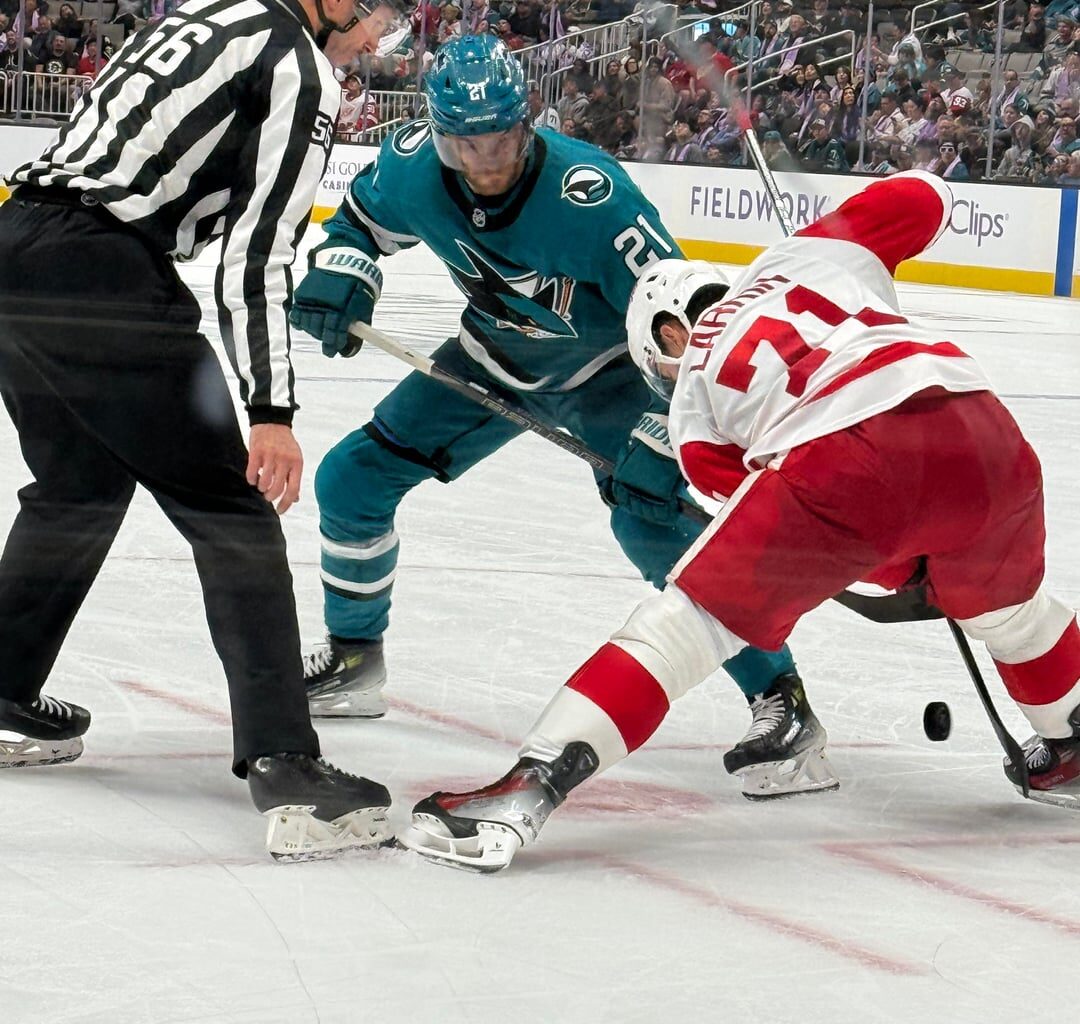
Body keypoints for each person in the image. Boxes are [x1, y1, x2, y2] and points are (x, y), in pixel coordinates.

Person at [397, 171, 1080, 873]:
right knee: (1013, 614)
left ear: (665, 337)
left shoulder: (692, 405)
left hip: (846, 452)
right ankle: (1072, 747)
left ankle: (525, 790)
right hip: (987, 430)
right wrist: (838, 239)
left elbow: (823, 532)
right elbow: (924, 195)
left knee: (689, 624)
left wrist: (906, 565)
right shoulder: (807, 255)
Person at [289, 35, 821, 795]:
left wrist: (662, 430)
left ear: (528, 121)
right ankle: (354, 658)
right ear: (438, 134)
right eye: (465, 145)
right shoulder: (410, 167)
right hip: (491, 362)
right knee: (351, 481)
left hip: (611, 377)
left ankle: (783, 700)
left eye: (501, 139)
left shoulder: (594, 198)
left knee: (651, 524)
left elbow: (689, 326)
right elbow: (357, 224)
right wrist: (344, 270)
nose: (487, 162)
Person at [0, 0, 410, 860]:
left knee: (78, 488)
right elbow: (257, 258)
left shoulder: (211, 9)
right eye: (374, 10)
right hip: (102, 275)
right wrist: (271, 411)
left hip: (16, 244)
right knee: (230, 509)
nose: (377, 38)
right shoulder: (300, 67)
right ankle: (286, 765)